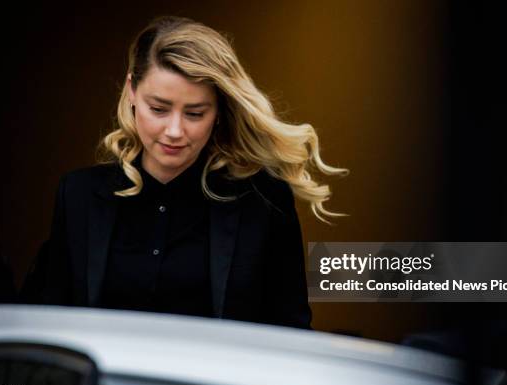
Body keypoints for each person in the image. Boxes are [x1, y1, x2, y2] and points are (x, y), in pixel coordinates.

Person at [20, 16, 347, 329]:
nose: (174, 130)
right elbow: (44, 319)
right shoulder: (78, 195)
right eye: (158, 109)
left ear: (218, 111)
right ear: (132, 91)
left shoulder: (263, 201)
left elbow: (291, 332)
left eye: (195, 113)